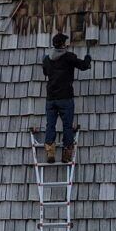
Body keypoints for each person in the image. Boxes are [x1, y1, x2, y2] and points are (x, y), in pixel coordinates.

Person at [42, 33, 92, 163]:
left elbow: (45, 72)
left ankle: (50, 152)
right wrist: (87, 58)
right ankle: (66, 154)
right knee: (67, 126)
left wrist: (45, 61)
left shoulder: (47, 59)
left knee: (50, 125)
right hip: (65, 97)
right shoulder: (68, 57)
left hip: (51, 98)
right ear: (63, 44)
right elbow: (83, 66)